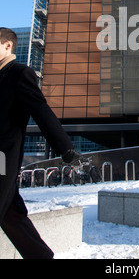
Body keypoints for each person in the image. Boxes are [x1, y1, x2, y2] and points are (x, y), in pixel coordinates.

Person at [0, 27, 80, 259]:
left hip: (3, 157)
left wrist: (64, 147)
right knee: (11, 214)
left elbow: (40, 109)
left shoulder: (19, 73)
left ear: (8, 46)